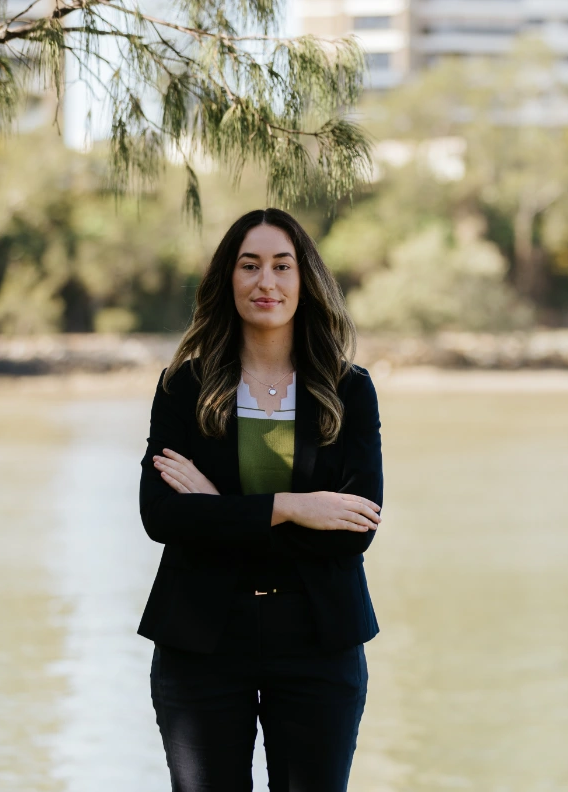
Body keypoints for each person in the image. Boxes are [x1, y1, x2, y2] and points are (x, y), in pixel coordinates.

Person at [136, 208, 384, 792]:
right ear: (228, 278)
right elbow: (162, 515)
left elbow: (356, 526)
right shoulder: (184, 386)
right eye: (249, 266)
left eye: (281, 266)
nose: (265, 282)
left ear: (306, 280)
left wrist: (217, 507)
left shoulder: (349, 390)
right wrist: (291, 507)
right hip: (202, 643)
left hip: (318, 643)